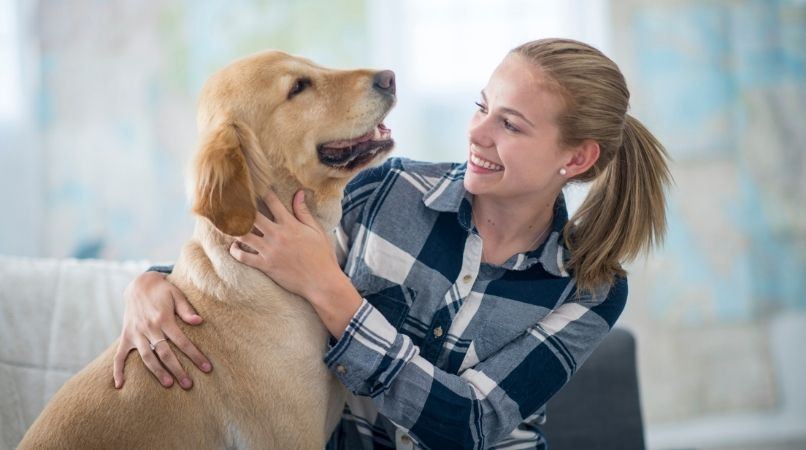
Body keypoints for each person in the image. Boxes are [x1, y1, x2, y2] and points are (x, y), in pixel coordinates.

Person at [113, 38, 671, 449]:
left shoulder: (591, 289)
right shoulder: (386, 190)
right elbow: (261, 256)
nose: (476, 133)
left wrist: (331, 291)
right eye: (481, 107)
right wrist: (153, 284)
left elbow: (470, 424)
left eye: (511, 125)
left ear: (576, 157)